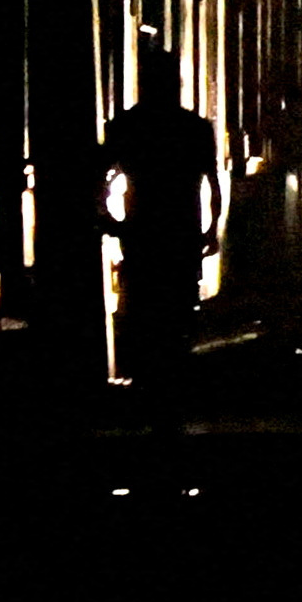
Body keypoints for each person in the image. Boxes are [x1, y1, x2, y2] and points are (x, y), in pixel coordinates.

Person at [100, 45, 221, 400]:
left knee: (143, 304)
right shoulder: (195, 128)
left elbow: (100, 178)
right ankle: (173, 378)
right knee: (179, 307)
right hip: (182, 232)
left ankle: (150, 379)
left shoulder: (127, 126)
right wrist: (211, 230)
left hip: (141, 232)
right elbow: (212, 185)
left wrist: (110, 221)